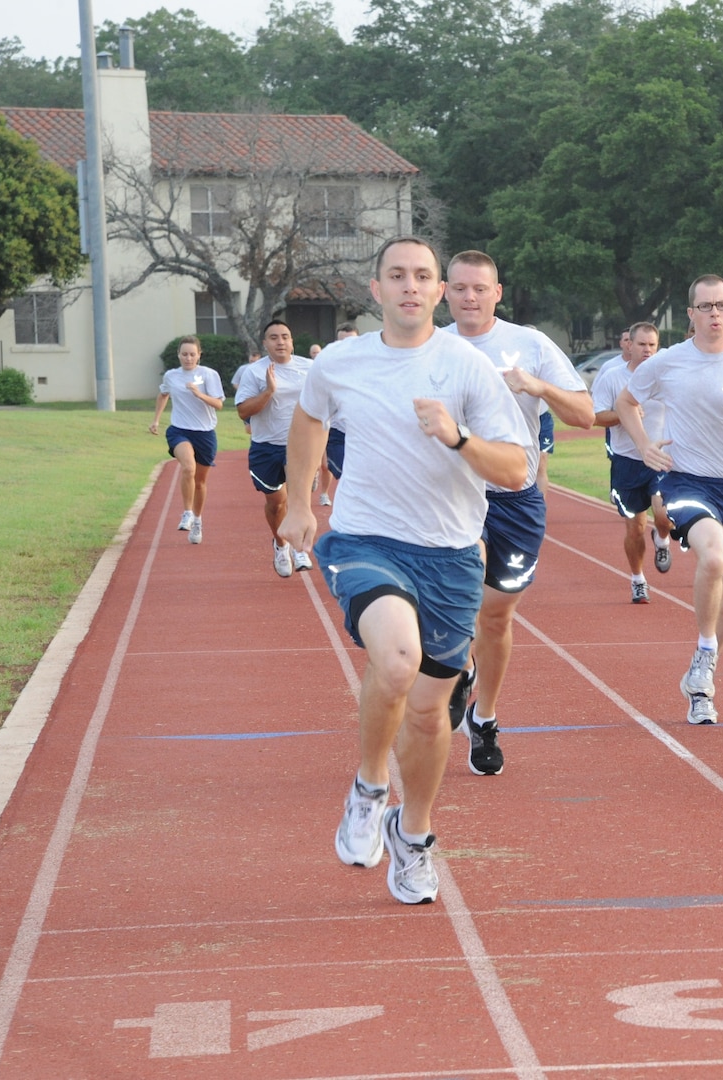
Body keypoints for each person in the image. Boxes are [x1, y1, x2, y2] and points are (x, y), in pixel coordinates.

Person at [279, 237, 530, 906]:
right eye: (398, 276)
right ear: (377, 287)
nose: (411, 287)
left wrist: (457, 438)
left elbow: (516, 469)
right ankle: (367, 788)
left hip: (449, 554)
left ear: (440, 291)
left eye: (423, 277)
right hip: (366, 539)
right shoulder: (340, 361)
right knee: (394, 662)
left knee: (428, 716)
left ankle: (411, 833)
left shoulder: (466, 367)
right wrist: (300, 500)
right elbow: (307, 419)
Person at [442, 251, 593, 776]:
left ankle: (484, 715)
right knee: (462, 601)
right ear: (445, 292)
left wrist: (537, 386)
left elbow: (585, 414)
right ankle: (458, 666)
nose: (469, 297)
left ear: (497, 293)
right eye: (459, 288)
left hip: (516, 499)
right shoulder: (431, 348)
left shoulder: (529, 343)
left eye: (479, 289)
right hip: (454, 498)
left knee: (497, 615)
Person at [616, 275, 723, 725]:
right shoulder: (668, 362)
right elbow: (626, 401)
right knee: (712, 555)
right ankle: (706, 648)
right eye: (704, 306)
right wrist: (645, 443)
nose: (713, 313)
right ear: (690, 314)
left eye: (721, 305)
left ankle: (702, 676)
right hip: (687, 481)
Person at [593, 322, 673, 602]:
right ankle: (638, 578)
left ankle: (662, 539)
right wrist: (623, 414)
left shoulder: (667, 376)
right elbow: (595, 417)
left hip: (661, 457)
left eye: (652, 345)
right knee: (636, 527)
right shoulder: (613, 378)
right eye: (642, 344)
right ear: (630, 346)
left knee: (663, 515)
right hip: (627, 461)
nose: (647, 350)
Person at [236, 319, 313, 577]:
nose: (280, 341)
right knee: (276, 503)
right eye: (274, 337)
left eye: (285, 336)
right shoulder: (255, 372)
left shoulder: (309, 368)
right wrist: (269, 392)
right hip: (266, 447)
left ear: (292, 341)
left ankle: (299, 547)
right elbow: (243, 411)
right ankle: (281, 545)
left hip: (299, 446)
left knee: (297, 500)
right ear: (265, 343)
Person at [149, 335, 223, 545]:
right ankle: (187, 512)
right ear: (179, 355)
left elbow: (218, 404)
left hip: (205, 433)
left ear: (199, 355)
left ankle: (198, 520)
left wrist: (199, 394)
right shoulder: (172, 376)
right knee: (188, 468)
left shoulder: (209, 375)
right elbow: (163, 394)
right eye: (184, 354)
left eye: (192, 354)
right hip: (179, 430)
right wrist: (156, 420)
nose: (188, 358)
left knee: (200, 482)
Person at [317, 323, 359, 508]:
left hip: (363, 435)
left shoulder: (373, 369)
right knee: (350, 477)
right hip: (337, 435)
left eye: (352, 341)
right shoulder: (327, 371)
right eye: (343, 342)